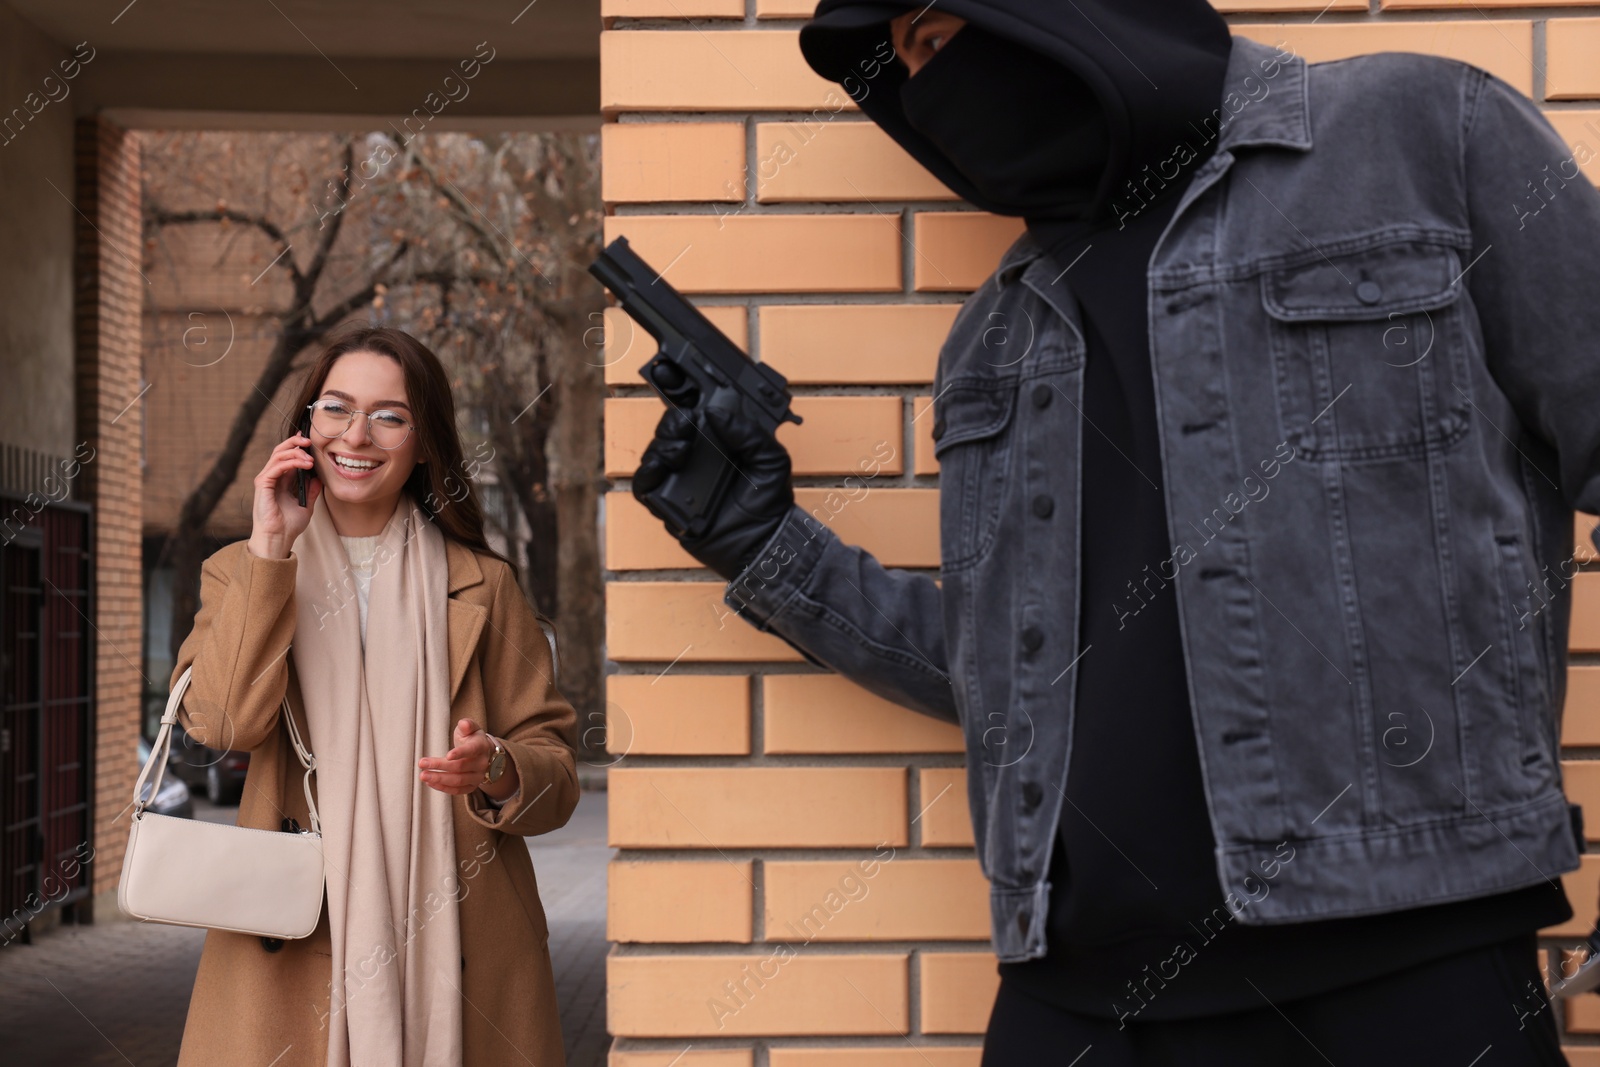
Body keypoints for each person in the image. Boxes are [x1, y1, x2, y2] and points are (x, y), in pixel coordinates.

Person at [632, 1, 1600, 1062]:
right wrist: (764, 544)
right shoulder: (993, 333)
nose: (928, 79)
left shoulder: (1418, 132)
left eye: (939, 30)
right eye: (904, 60)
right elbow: (1002, 672)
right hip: (1080, 990)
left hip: (1408, 961)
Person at [171, 326, 577, 1067]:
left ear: (425, 443)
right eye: (336, 408)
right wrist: (271, 549)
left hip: (462, 940)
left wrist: (497, 766)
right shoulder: (242, 570)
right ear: (306, 426)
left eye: (390, 415)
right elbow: (224, 720)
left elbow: (557, 769)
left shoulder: (483, 584)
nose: (357, 434)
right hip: (288, 945)